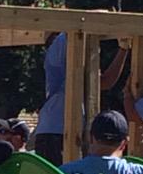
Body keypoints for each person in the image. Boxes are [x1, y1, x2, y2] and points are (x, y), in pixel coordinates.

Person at [34, 33, 130, 166]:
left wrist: (123, 49)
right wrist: (106, 16)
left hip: (71, 130)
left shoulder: (77, 61)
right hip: (56, 130)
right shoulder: (59, 42)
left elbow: (105, 82)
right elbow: (79, 26)